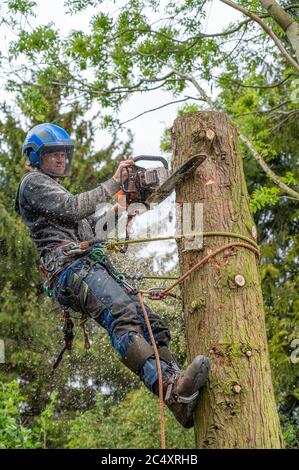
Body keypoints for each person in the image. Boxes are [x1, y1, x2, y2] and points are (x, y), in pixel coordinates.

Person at [15, 122, 210, 428]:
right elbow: (73, 207)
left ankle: (179, 392)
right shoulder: (33, 184)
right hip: (69, 270)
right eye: (53, 153)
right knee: (122, 315)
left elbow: (88, 231)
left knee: (152, 325)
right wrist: (113, 183)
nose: (61, 159)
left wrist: (119, 212)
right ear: (36, 156)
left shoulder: (55, 193)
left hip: (89, 265)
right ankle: (170, 390)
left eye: (64, 154)